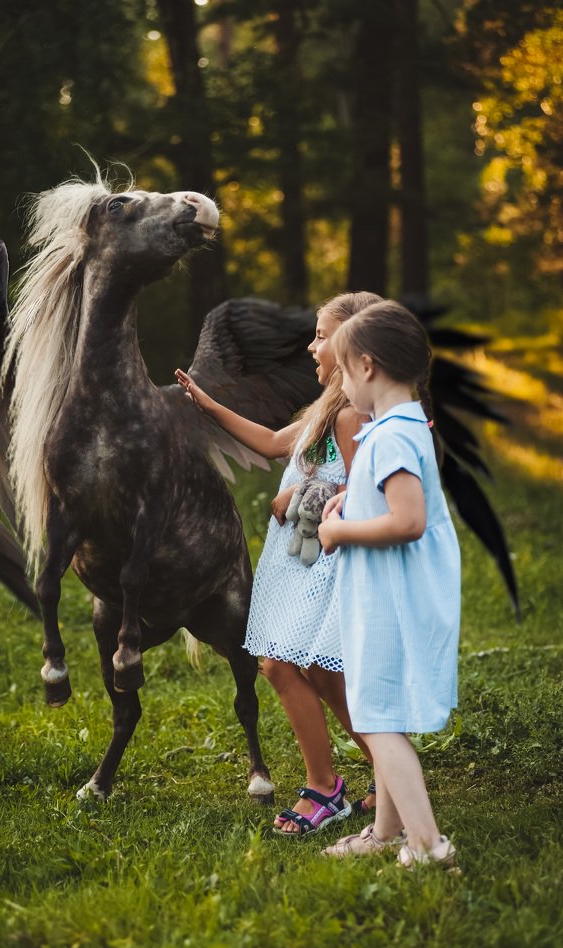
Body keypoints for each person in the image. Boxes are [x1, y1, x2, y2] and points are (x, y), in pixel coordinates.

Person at [175, 291, 382, 836]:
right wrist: (206, 404)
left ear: (352, 345)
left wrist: (301, 495)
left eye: (320, 336)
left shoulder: (352, 416)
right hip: (297, 559)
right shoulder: (325, 409)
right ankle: (384, 771)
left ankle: (325, 788)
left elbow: (364, 491)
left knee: (282, 665)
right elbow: (270, 444)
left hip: (325, 560)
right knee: (311, 670)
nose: (312, 347)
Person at [318, 300, 460, 868]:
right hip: (389, 594)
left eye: (346, 371)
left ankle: (426, 843)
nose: (344, 385)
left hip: (392, 601)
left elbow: (407, 520)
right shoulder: (398, 427)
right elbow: (391, 501)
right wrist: (349, 500)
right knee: (382, 710)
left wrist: (339, 530)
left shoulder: (392, 436)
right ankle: (384, 832)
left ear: (368, 367)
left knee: (376, 721)